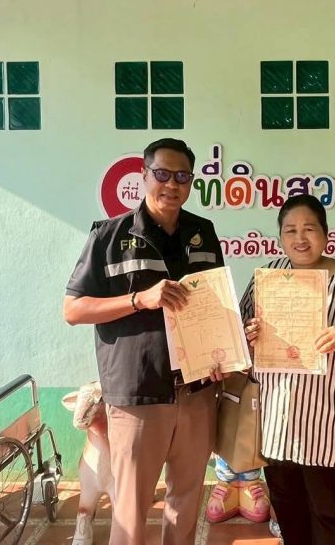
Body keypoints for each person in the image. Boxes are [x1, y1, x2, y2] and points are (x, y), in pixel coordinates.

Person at [64, 137, 226, 545]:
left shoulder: (203, 233)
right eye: (162, 174)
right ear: (144, 174)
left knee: (185, 503)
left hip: (196, 393)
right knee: (130, 511)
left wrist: (222, 354)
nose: (172, 184)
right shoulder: (108, 236)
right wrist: (140, 299)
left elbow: (215, 303)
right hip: (137, 396)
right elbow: (74, 309)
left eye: (182, 176)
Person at [240, 194, 335, 545]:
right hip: (277, 421)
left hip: (330, 423)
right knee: (289, 511)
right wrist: (249, 334)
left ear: (325, 234)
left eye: (309, 228)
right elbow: (241, 333)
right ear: (280, 237)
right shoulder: (268, 278)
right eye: (290, 230)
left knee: (332, 515)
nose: (300, 238)